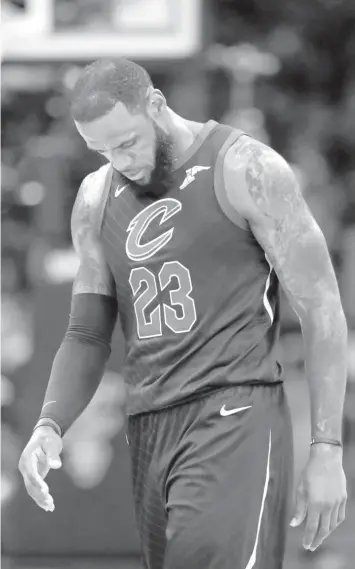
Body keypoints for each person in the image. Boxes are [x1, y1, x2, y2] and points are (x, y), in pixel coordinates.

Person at [18, 58, 348, 569]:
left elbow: (322, 307)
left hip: (234, 410)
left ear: (155, 105)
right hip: (150, 423)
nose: (119, 159)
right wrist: (49, 423)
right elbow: (87, 331)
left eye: (126, 142)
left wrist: (326, 447)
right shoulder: (94, 198)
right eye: (101, 149)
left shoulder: (246, 168)